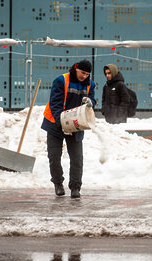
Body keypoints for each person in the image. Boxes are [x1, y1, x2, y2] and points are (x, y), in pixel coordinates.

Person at [41, 59, 96, 198]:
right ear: (76, 68)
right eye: (82, 73)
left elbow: (92, 100)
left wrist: (91, 102)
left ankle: (75, 188)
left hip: (76, 124)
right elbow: (55, 103)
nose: (84, 76)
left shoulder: (90, 84)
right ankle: (58, 184)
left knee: (77, 158)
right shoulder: (61, 80)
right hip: (55, 123)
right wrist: (62, 123)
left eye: (87, 74)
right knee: (54, 156)